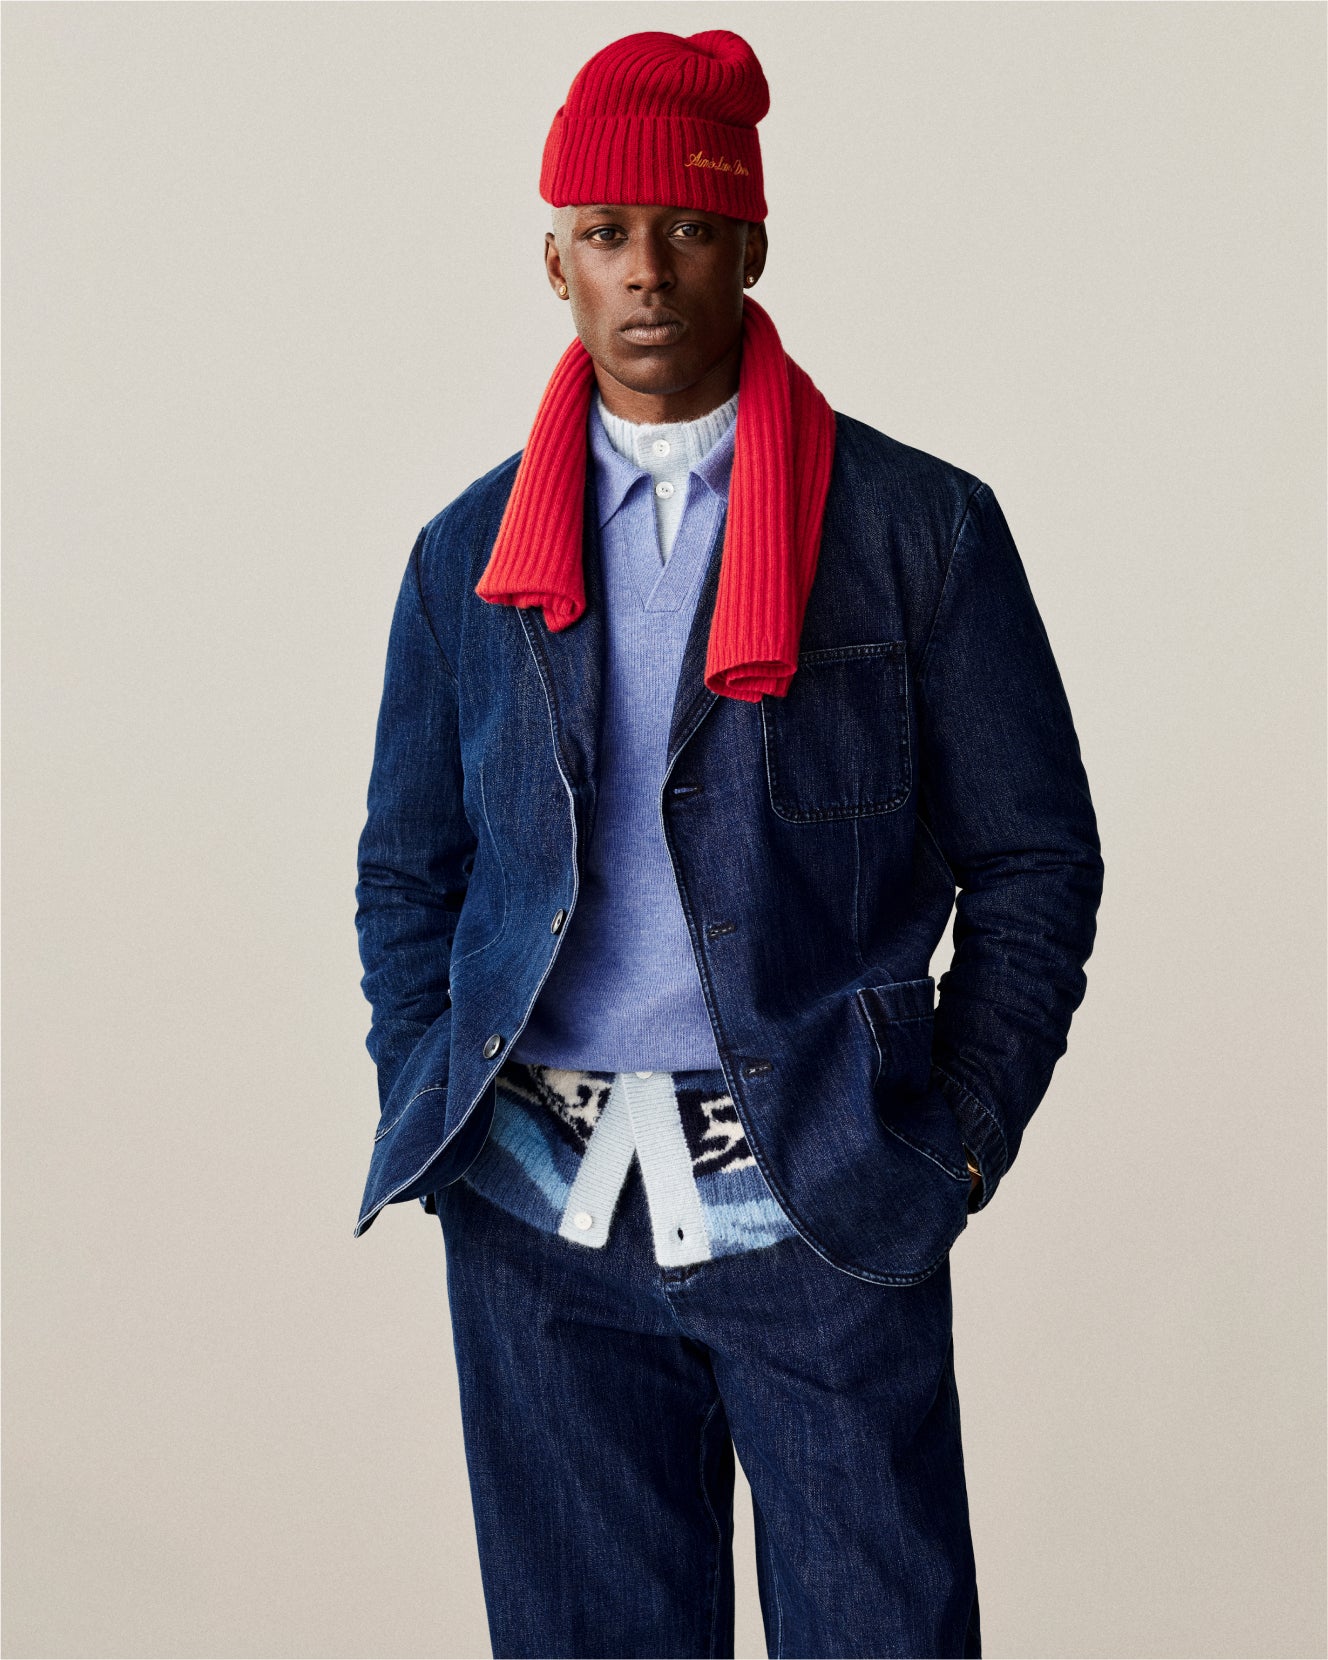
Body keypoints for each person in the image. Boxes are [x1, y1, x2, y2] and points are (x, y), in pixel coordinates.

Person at [352, 27, 1104, 1660]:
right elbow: (410, 871)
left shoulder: (919, 530)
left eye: (689, 228)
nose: (647, 270)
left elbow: (1038, 860)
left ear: (750, 245)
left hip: (822, 1199)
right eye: (607, 232)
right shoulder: (463, 557)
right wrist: (432, 1089)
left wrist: (957, 1139)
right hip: (540, 1218)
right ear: (554, 260)